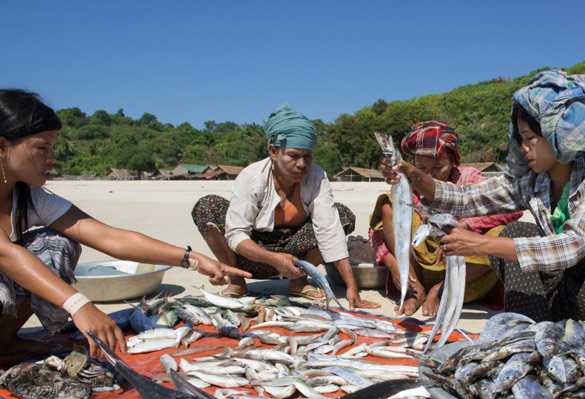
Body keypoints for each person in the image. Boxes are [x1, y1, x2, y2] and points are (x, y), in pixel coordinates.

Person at [381, 72, 585, 334]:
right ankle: (528, 332)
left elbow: (572, 246)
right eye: (520, 138)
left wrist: (479, 245)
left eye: (530, 138)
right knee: (518, 233)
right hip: (560, 295)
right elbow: (468, 198)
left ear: (559, 135)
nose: (523, 147)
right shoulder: (533, 180)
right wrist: (414, 176)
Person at [0, 89, 251, 356]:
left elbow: (111, 238)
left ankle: (4, 342)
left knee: (57, 244)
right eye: (41, 148)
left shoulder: (31, 197)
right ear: (2, 146)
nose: (51, 158)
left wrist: (194, 259)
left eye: (52, 148)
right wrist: (80, 305)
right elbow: (6, 253)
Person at [191, 104, 378, 310]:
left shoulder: (316, 176)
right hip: (252, 256)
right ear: (273, 151)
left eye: (308, 156)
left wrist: (352, 286)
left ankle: (299, 281)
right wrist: (274, 259)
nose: (302, 164)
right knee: (207, 206)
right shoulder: (252, 177)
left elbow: (329, 230)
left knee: (341, 214)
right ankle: (237, 281)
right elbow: (236, 234)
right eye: (294, 156)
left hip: (295, 258)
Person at [368, 121, 523, 316]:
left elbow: (511, 209)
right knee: (388, 206)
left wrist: (465, 226)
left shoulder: (469, 178)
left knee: (501, 233)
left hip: (463, 274)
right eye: (421, 168)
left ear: (453, 162)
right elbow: (377, 230)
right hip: (421, 268)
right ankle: (416, 292)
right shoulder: (406, 184)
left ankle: (439, 291)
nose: (429, 175)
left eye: (438, 167)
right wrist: (394, 264)